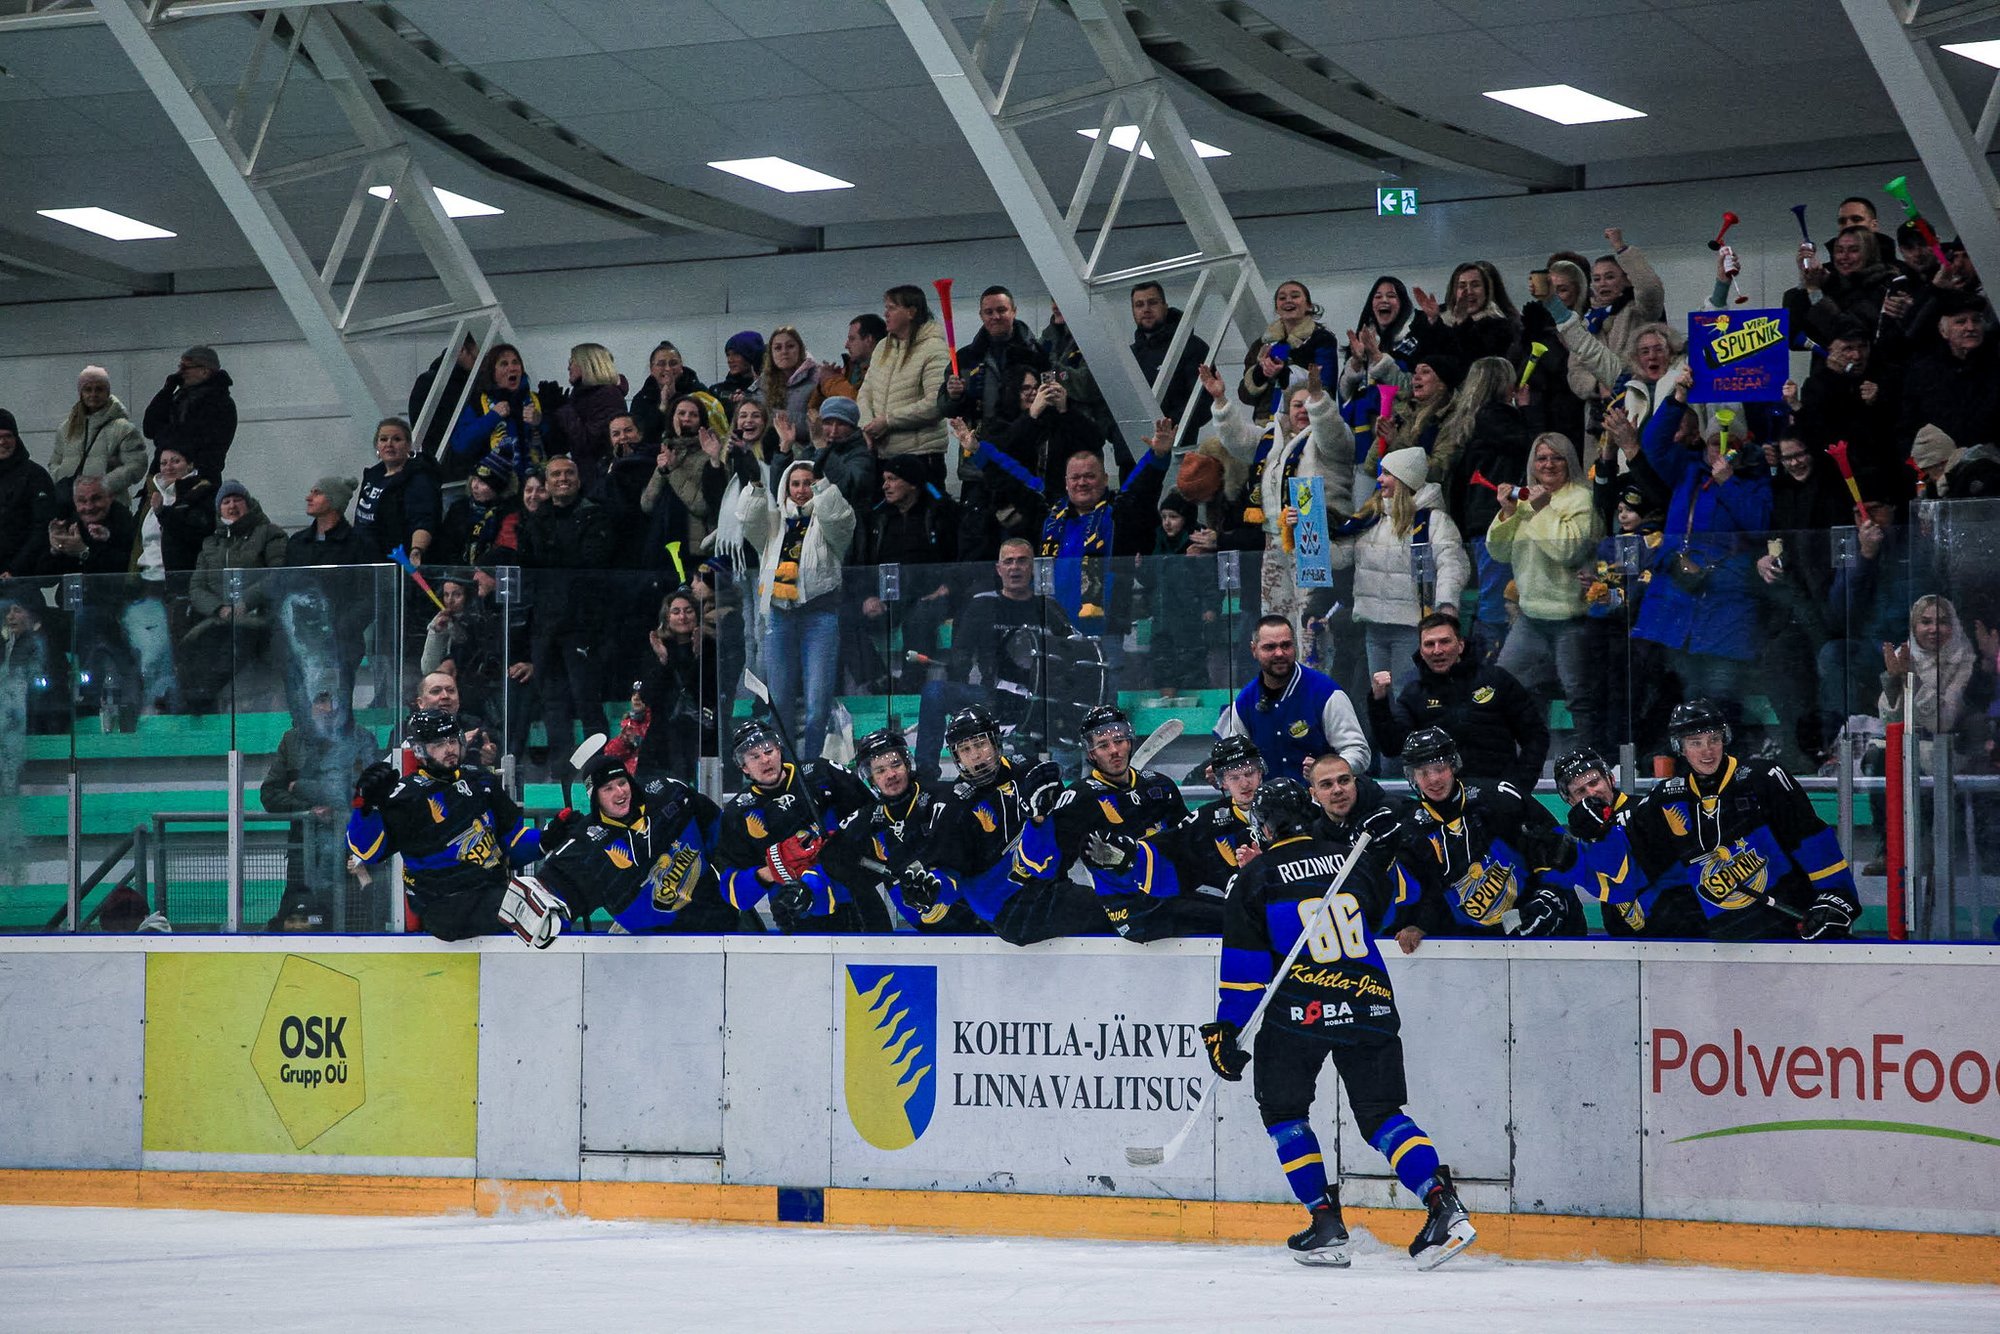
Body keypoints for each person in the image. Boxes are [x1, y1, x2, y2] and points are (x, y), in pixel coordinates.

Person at [1202, 777, 1475, 1270]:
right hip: (1369, 1002)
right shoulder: (1349, 858)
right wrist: (1380, 859)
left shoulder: (1255, 877)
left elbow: (1246, 975)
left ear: (1265, 827)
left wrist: (1227, 1030)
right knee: (1381, 1113)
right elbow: (1391, 907)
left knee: (1284, 1113)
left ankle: (1325, 1222)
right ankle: (1443, 1206)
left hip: (1300, 1014)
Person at [1576, 700, 1860, 942]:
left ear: (1725, 739)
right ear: (1680, 747)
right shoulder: (1666, 799)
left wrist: (1836, 897)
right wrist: (1597, 835)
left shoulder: (1763, 779)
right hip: (1725, 943)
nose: (1707, 751)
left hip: (1790, 932)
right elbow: (1630, 867)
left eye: (1713, 739)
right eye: (1695, 743)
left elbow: (1812, 841)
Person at [1016, 704, 1217, 940]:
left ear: (1129, 741)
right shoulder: (1080, 799)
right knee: (1232, 919)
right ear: (1091, 754)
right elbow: (1044, 867)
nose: (1114, 750)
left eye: (1119, 741)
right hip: (1132, 910)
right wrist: (1037, 821)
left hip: (1170, 894)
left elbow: (1188, 846)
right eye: (1103, 745)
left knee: (1238, 910)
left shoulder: (1160, 785)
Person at [899, 706, 1100, 943]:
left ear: (995, 742)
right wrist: (931, 893)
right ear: (956, 756)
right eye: (965, 749)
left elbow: (1062, 839)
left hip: (1047, 885)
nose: (975, 755)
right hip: (1008, 908)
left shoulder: (1025, 770)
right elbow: (947, 874)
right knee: (1107, 912)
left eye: (980, 744)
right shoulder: (952, 806)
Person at [347, 708, 548, 942]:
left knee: (550, 902)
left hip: (489, 894)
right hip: (443, 905)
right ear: (420, 750)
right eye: (439, 744)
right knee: (535, 915)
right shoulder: (406, 796)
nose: (449, 749)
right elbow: (366, 851)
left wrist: (549, 839)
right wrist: (366, 808)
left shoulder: (480, 779)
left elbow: (513, 842)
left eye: (452, 740)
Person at [1203, 362, 1356, 637]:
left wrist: (1318, 398)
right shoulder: (1272, 440)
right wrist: (1220, 400)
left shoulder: (1332, 439)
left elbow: (1330, 430)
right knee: (1276, 617)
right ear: (1286, 410)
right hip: (1274, 539)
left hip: (1316, 538)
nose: (1304, 409)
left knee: (1310, 619)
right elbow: (1237, 438)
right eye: (1297, 404)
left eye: (1308, 404)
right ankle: (1282, 663)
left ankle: (1314, 666)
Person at [913, 536, 1082, 776]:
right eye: (1008, 561)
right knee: (934, 692)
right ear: (998, 568)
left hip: (1037, 703)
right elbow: (960, 656)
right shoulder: (981, 605)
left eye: (1022, 561)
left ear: (1032, 567)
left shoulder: (1049, 607)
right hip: (991, 697)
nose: (1015, 567)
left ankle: (1067, 768)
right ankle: (926, 776)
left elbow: (1075, 655)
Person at [1394, 726, 1582, 941]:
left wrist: (1551, 894)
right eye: (1423, 773)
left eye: (1439, 768)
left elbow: (1557, 843)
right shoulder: (1412, 830)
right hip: (1481, 942)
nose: (1434, 779)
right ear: (1412, 777)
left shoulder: (1498, 798)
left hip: (1541, 918)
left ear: (1453, 765)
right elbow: (1429, 892)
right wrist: (1420, 924)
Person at [536, 750, 738, 934]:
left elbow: (726, 839)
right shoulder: (586, 843)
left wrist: (736, 878)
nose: (620, 792)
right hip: (647, 945)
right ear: (595, 798)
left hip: (716, 922)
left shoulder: (669, 794)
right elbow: (551, 894)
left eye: (622, 783)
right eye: (608, 788)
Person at [714, 718, 887, 933]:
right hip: (796, 911)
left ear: (779, 750)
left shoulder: (821, 773)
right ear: (744, 767)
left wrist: (842, 842)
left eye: (768, 751)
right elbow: (735, 894)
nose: (765, 760)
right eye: (754, 757)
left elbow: (875, 818)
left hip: (856, 898)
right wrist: (773, 870)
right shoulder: (738, 813)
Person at [1485, 432, 1601, 744]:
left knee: (1578, 696)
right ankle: (1527, 754)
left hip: (1571, 619)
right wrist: (1508, 513)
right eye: (1541, 458)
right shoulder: (1524, 498)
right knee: (1504, 684)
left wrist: (1541, 509)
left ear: (1569, 462)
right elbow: (1498, 552)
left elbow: (1568, 551)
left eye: (1557, 458)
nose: (1548, 464)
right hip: (1530, 617)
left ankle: (1590, 760)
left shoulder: (1581, 499)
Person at [738, 459, 855, 763]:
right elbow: (748, 521)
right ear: (786, 488)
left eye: (808, 483)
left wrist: (823, 487)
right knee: (779, 705)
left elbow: (839, 518)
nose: (802, 490)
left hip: (820, 617)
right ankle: (786, 769)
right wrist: (756, 487)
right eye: (796, 483)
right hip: (779, 617)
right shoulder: (773, 522)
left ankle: (814, 767)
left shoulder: (827, 522)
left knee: (818, 704)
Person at [1369, 612, 1548, 793]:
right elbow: (1392, 747)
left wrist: (1519, 786)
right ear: (1421, 652)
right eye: (1429, 644)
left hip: (1499, 795)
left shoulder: (1497, 680)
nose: (1437, 650)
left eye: (1445, 642)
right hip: (1443, 800)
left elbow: (1536, 735)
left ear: (1460, 645)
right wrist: (1379, 700)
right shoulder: (1413, 695)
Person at [1340, 446, 1469, 687]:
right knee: (1379, 692)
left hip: (1412, 628)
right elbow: (1340, 558)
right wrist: (1305, 533)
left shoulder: (1434, 521)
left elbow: (1452, 566)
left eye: (1387, 473)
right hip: (1374, 626)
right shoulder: (1371, 517)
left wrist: (1446, 608)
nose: (1379, 479)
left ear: (1404, 480)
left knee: (1405, 692)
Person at [519, 455, 615, 779]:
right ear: (546, 483)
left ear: (578, 478)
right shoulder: (535, 519)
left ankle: (601, 772)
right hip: (545, 627)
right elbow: (529, 565)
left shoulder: (594, 514)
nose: (563, 479)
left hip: (581, 625)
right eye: (556, 474)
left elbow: (589, 562)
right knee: (553, 704)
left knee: (587, 700)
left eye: (569, 473)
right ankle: (562, 774)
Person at [1553, 746, 1707, 938]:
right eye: (1580, 790)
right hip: (1623, 939)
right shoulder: (1581, 838)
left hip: (1678, 932)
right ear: (1571, 801)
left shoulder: (1645, 810)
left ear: (1610, 779)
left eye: (1594, 782)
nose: (1591, 793)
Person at [849, 726, 984, 934]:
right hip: (925, 937)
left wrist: (941, 886)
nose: (891, 774)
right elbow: (838, 866)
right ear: (871, 779)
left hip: (979, 926)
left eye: (896, 764)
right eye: (880, 770)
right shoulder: (867, 821)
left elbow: (969, 864)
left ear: (907, 764)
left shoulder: (943, 797)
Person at [260, 692, 377, 918]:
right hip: (303, 851)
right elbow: (269, 794)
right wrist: (308, 810)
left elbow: (369, 792)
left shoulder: (362, 738)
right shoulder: (292, 740)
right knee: (296, 920)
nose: (328, 708)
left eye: (334, 701)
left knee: (351, 920)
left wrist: (302, 787)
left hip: (350, 850)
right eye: (321, 700)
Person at [852, 454, 958, 693]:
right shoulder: (877, 516)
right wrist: (868, 596)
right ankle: (878, 679)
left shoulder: (941, 513)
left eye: (892, 479)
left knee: (918, 618)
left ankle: (911, 685)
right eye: (884, 479)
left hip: (931, 595)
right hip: (889, 596)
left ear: (912, 483)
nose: (885, 486)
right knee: (845, 617)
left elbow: (959, 556)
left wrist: (947, 586)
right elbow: (863, 562)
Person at [1214, 614, 1368, 779]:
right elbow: (1236, 760)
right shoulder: (1244, 702)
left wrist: (1327, 770)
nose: (1279, 653)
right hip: (1266, 796)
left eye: (1286, 645)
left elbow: (1358, 751)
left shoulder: (1326, 693)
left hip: (1320, 795)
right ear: (1254, 650)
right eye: (1270, 647)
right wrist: (1222, 772)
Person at [182, 479, 288, 711]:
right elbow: (196, 588)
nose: (232, 506)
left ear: (248, 504)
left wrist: (245, 602)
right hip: (218, 620)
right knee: (193, 647)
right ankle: (193, 703)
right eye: (226, 501)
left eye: (237, 500)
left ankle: (200, 698)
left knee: (234, 646)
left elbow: (277, 575)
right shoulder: (210, 543)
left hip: (257, 619)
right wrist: (219, 609)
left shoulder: (269, 533)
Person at [860, 285, 952, 484]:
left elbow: (936, 403)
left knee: (929, 504)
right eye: (886, 308)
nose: (885, 313)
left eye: (892, 308)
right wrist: (866, 427)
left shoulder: (934, 348)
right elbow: (865, 393)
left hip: (922, 456)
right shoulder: (882, 347)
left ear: (911, 312)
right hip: (885, 456)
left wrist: (888, 421)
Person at [636, 588, 718, 785]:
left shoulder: (710, 646)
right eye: (676, 612)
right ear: (667, 617)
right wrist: (663, 661)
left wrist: (698, 657)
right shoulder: (657, 646)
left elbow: (711, 692)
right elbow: (648, 696)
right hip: (663, 735)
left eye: (688, 611)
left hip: (700, 733)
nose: (683, 617)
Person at [1167, 734, 1266, 896]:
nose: (1244, 784)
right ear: (1223, 782)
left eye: (1249, 774)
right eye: (1234, 778)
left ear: (1260, 773)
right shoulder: (1205, 818)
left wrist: (1264, 865)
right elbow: (1167, 845)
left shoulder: (1284, 809)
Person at [445, 343, 547, 482]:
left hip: (535, 481)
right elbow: (460, 445)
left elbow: (556, 443)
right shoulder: (477, 403)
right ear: (492, 372)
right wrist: (491, 418)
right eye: (504, 364)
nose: (512, 368)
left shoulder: (535, 400)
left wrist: (540, 422)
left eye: (515, 363)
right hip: (494, 483)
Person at [1237, 279, 1339, 417]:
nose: (1288, 300)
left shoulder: (1322, 339)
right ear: (1277, 309)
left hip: (1307, 420)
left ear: (1309, 306)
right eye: (1282, 298)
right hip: (1265, 422)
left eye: (1295, 296)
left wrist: (1284, 372)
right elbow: (1245, 396)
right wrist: (1261, 373)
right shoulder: (1262, 344)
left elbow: (1326, 389)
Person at [49, 366, 148, 504]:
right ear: (81, 393)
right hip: (71, 505)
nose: (93, 394)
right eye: (88, 389)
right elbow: (54, 463)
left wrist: (103, 486)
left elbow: (137, 465)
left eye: (99, 389)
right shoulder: (66, 428)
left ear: (107, 392)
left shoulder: (123, 428)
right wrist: (63, 482)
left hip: (110, 505)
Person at [352, 417, 441, 563]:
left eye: (397, 439)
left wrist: (416, 550)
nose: (389, 444)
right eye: (383, 439)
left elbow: (423, 519)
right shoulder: (372, 475)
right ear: (377, 445)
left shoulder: (419, 478)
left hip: (399, 560)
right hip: (367, 559)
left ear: (408, 445)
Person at [142, 345, 237, 480]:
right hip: (164, 475)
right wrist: (167, 390)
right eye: (180, 367)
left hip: (198, 477)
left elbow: (198, 440)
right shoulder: (179, 397)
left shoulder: (219, 403)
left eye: (185, 368)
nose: (180, 373)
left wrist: (165, 439)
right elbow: (150, 428)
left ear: (204, 371)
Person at [1130, 280, 1210, 431]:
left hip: (1179, 442)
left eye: (1152, 303)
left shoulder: (1191, 347)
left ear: (1165, 307)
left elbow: (1203, 401)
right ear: (1133, 311)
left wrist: (1167, 428)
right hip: (1132, 444)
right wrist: (1116, 433)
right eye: (1139, 305)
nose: (1146, 309)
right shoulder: (1129, 356)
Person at [550, 342, 629, 491]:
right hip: (588, 477)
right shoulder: (580, 396)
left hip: (602, 481)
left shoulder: (608, 396)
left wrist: (564, 410)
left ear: (587, 363)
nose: (568, 367)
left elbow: (589, 443)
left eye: (572, 362)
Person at [0, 409, 56, 580]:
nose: (3, 442)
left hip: (22, 577)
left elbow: (42, 527)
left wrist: (15, 569)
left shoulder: (35, 476)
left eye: (8, 436)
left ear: (16, 438)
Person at [408, 334, 479, 460]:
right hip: (448, 459)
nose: (481, 366)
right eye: (477, 359)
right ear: (462, 350)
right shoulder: (431, 383)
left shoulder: (475, 382)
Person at [630, 340, 703, 445]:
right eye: (661, 364)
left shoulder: (699, 392)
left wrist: (674, 397)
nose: (668, 369)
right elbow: (641, 436)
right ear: (652, 369)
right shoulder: (641, 399)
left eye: (673, 363)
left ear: (681, 367)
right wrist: (662, 407)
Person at [1911, 422, 2000, 499]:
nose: (1928, 480)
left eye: (1926, 472)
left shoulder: (1979, 472)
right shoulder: (1957, 477)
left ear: (1939, 464)